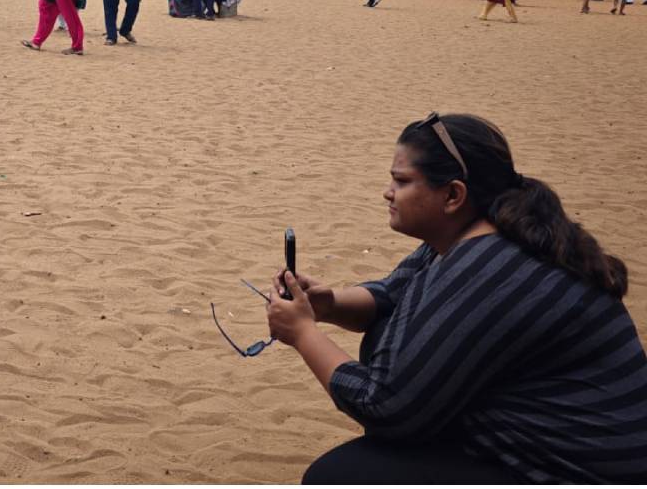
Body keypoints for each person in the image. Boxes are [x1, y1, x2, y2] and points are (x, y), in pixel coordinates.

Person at [270, 112, 647, 483]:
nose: (388, 192)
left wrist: (303, 333)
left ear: (453, 194)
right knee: (388, 331)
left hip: (584, 471)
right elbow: (391, 294)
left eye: (402, 181)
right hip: (551, 443)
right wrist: (329, 305)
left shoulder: (488, 266)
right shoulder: (483, 231)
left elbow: (385, 405)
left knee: (336, 476)